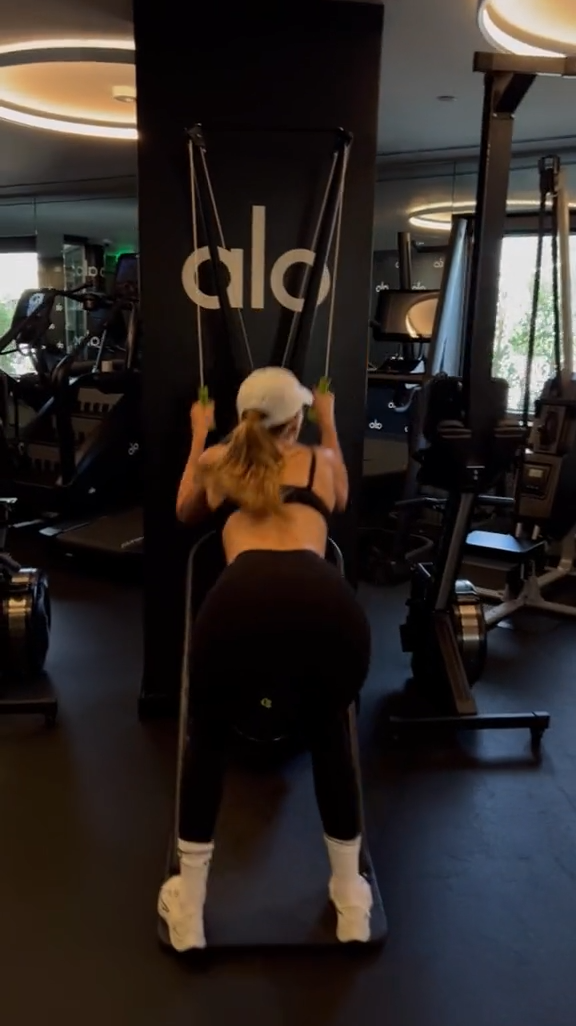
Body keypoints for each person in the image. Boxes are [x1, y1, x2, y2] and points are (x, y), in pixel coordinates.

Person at [158, 366, 373, 951]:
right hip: (326, 604)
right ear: (295, 421)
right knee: (330, 734)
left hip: (241, 601)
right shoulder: (320, 464)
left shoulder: (219, 464)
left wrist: (199, 435)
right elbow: (341, 497)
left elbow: (184, 511)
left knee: (207, 741)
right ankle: (351, 901)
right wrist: (330, 423)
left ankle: (189, 914)